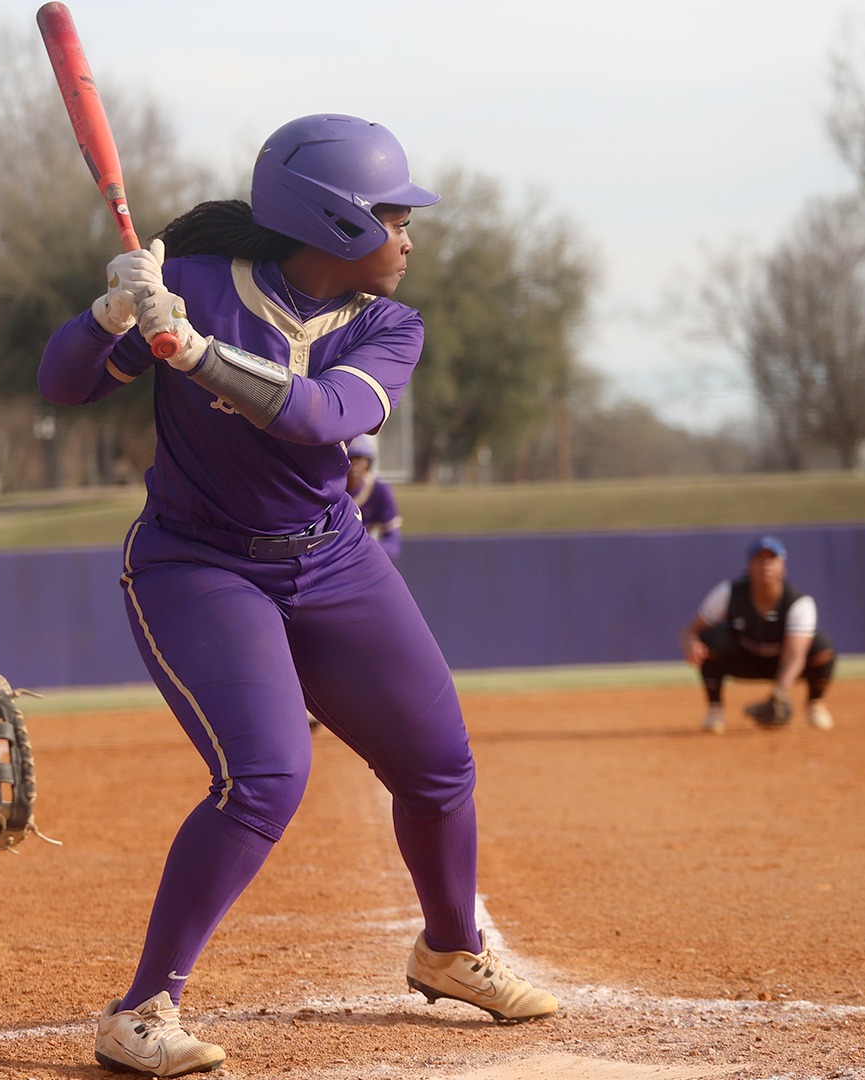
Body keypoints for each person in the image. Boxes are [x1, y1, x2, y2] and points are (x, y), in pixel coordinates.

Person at [40, 113, 555, 1078]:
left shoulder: (388, 323)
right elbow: (61, 384)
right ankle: (142, 1012)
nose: (409, 237)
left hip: (331, 559)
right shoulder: (187, 283)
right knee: (267, 777)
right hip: (197, 564)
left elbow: (324, 416)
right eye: (394, 217)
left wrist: (193, 355)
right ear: (335, 223)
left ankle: (451, 949)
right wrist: (109, 319)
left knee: (439, 764)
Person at [681, 536, 838, 733]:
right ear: (749, 566)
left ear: (783, 567)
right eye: (759, 559)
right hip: (745, 659)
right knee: (710, 640)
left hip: (780, 662)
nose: (766, 565)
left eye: (772, 559)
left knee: (822, 648)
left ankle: (815, 704)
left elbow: (795, 655)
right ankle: (715, 710)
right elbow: (690, 630)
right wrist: (690, 643)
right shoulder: (729, 593)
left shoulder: (799, 603)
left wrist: (779, 693)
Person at [345, 433, 403, 559]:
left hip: (362, 557)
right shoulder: (328, 490)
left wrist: (367, 551)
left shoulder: (379, 490)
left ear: (369, 463)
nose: (354, 465)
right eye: (350, 458)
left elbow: (393, 541)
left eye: (360, 458)